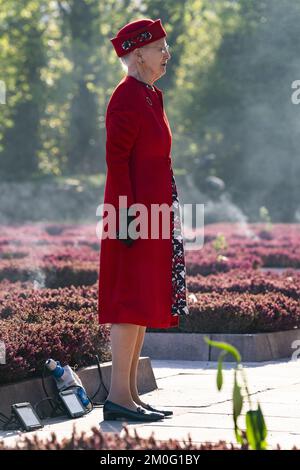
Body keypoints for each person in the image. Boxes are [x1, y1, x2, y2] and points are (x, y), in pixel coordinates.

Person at [98, 18, 189, 422]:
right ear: (138, 54)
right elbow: (116, 162)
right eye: (161, 48)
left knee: (143, 299)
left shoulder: (150, 95)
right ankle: (118, 398)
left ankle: (131, 396)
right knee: (128, 302)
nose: (167, 54)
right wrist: (125, 216)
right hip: (132, 214)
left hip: (154, 212)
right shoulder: (126, 97)